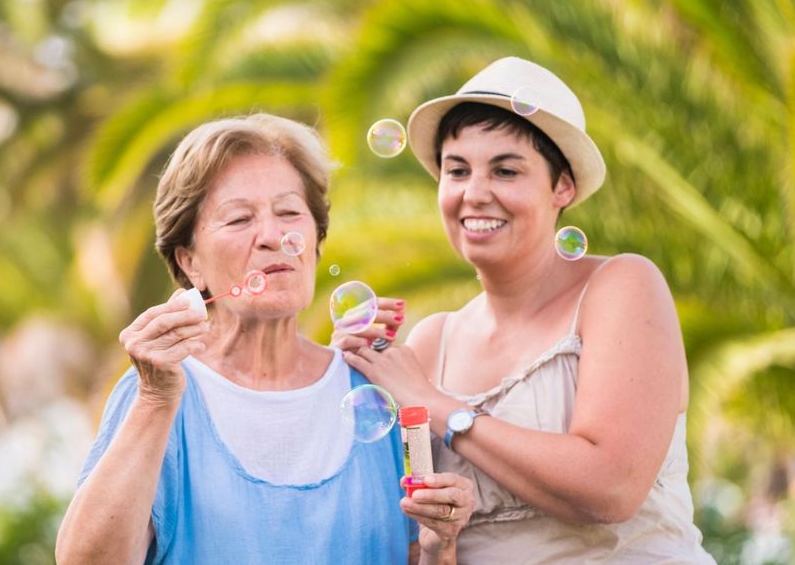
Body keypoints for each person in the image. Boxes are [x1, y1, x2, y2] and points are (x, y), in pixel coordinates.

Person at [339, 58, 715, 562]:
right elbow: (415, 548)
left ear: (563, 186)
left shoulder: (620, 286)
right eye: (457, 170)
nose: (475, 194)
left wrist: (436, 404)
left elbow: (612, 488)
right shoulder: (431, 344)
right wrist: (338, 373)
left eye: (506, 170)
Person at [55, 113, 474, 565]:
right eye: (238, 219)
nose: (274, 237)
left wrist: (441, 546)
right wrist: (156, 399)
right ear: (190, 262)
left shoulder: (377, 390)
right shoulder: (160, 392)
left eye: (290, 213)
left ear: (315, 241)